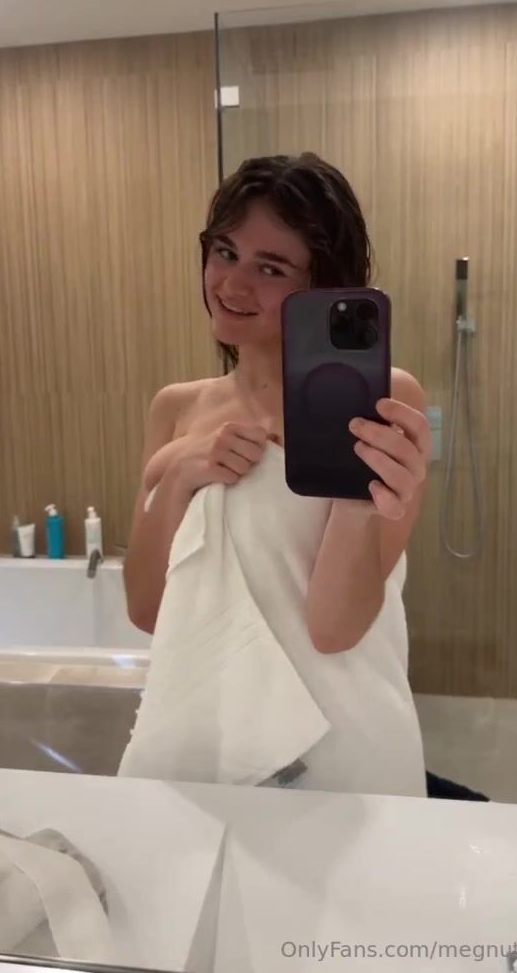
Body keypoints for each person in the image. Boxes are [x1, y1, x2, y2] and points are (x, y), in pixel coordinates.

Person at [123, 152, 432, 796]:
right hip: (208, 746)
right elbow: (147, 610)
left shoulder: (385, 400)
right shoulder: (176, 409)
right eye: (225, 252)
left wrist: (358, 504)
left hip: (347, 748)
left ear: (322, 288)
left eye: (270, 268)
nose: (232, 285)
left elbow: (333, 629)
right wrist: (181, 472)